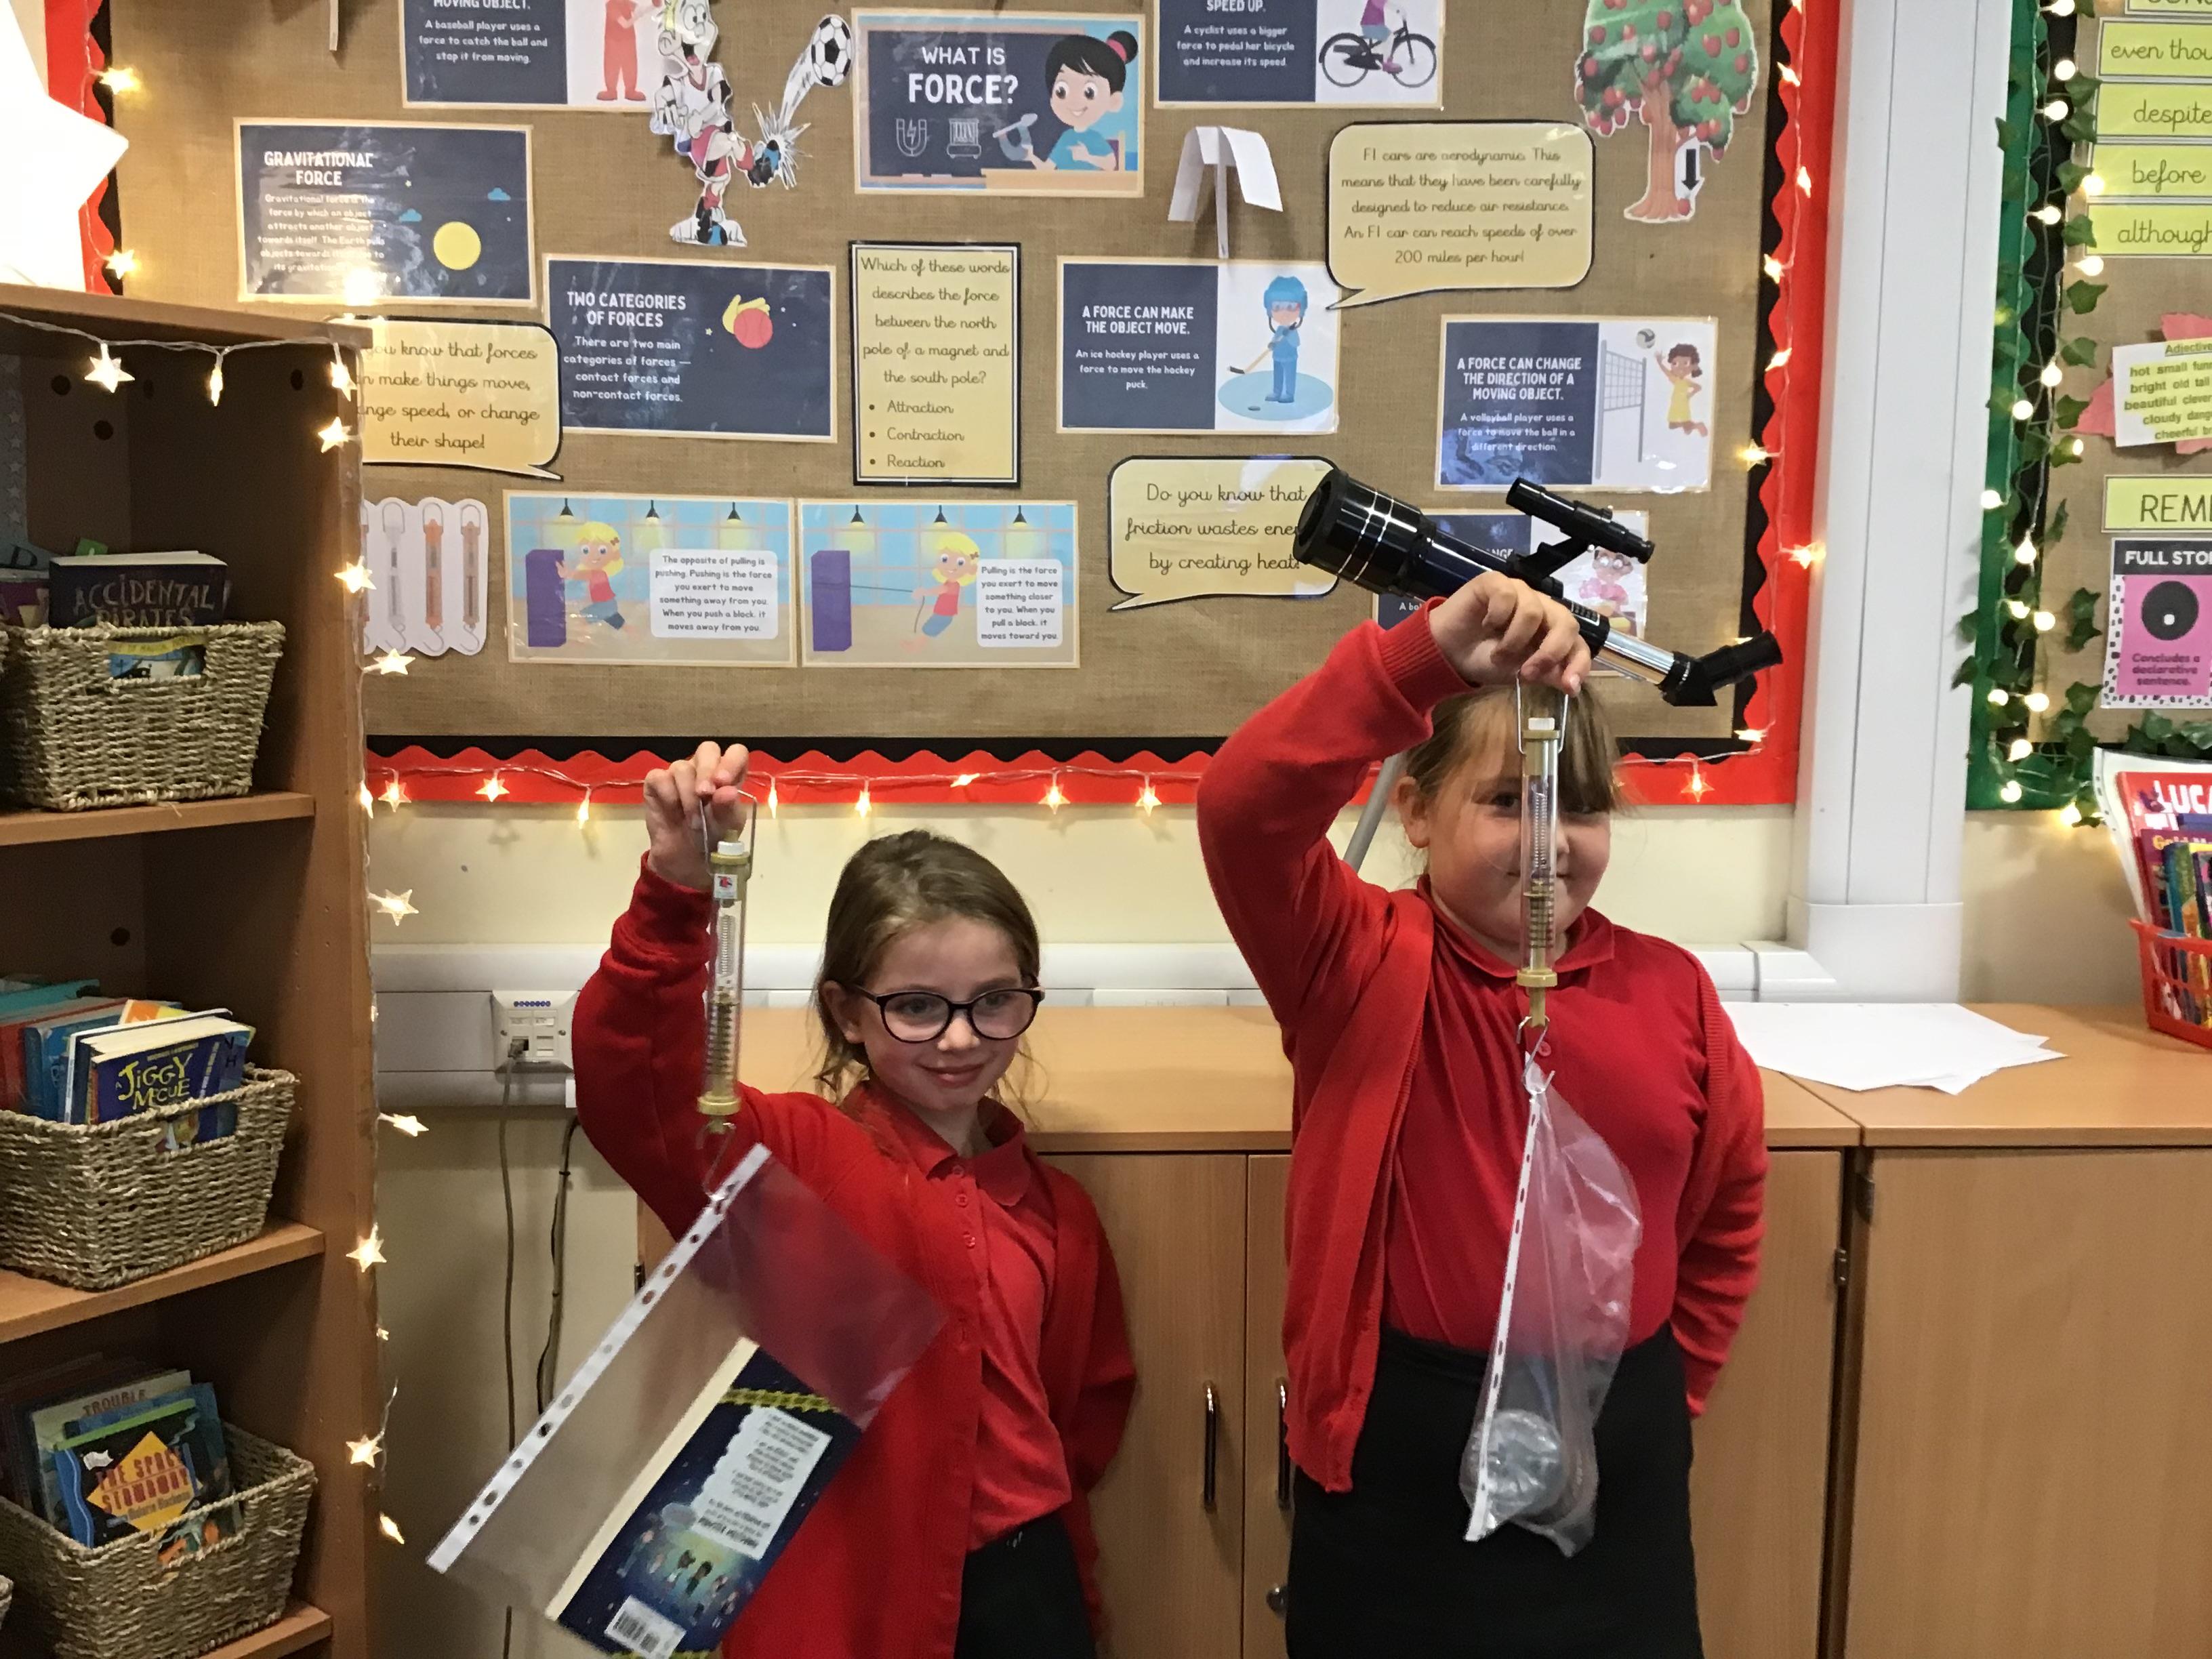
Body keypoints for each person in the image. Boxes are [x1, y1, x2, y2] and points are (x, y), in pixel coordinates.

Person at [1195, 576, 1766, 1658]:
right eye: (1508, 800)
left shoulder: (1673, 992)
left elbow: (1726, 1207)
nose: (1550, 842)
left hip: (1619, 1455)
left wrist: (1666, 1389)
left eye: (1580, 807)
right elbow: (1242, 808)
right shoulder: (1352, 962)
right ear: (1414, 812)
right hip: (1401, 1463)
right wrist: (1422, 658)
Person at [574, 747, 1135, 1659]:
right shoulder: (797, 1162)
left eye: (994, 1001)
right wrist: (678, 892)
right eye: (916, 1006)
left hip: (1027, 1591)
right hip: (855, 1597)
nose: (960, 1038)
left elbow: (1077, 1423)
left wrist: (1076, 1591)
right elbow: (634, 1095)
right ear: (846, 1011)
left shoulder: (1056, 1209)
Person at [1031, 31, 1139, 171]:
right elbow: (1047, 168)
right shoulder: (1066, 138)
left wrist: (1087, 157)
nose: (1075, 101)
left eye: (1089, 93)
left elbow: (1111, 164)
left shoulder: (1094, 138)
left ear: (1113, 101)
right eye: (1061, 91)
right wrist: (1030, 156)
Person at [1231, 276, 1310, 405]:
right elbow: (1275, 339)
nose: (1284, 313)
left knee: (1289, 376)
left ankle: (1289, 394)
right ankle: (1277, 392)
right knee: (1278, 375)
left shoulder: (1292, 330)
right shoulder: (1280, 329)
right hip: (1277, 357)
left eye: (1291, 307)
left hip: (1289, 358)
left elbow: (1296, 343)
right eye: (1277, 307)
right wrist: (1272, 344)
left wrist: (1288, 335)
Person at [556, 524, 626, 630]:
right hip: (608, 606)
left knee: (581, 621)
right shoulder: (598, 573)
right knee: (622, 625)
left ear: (615, 555)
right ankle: (634, 633)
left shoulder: (598, 573)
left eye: (602, 551)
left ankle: (582, 638)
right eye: (586, 550)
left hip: (604, 606)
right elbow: (595, 591)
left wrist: (568, 574)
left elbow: (581, 575)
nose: (594, 555)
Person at [1655, 342, 1709, 437]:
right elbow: (1698, 387)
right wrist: (1690, 395)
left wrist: (1690, 395)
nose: (1680, 368)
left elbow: (1698, 387)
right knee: (1678, 427)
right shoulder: (1680, 380)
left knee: (1673, 425)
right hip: (1679, 403)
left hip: (1680, 404)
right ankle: (1693, 427)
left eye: (1685, 364)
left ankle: (1697, 426)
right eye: (1675, 364)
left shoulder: (1680, 380)